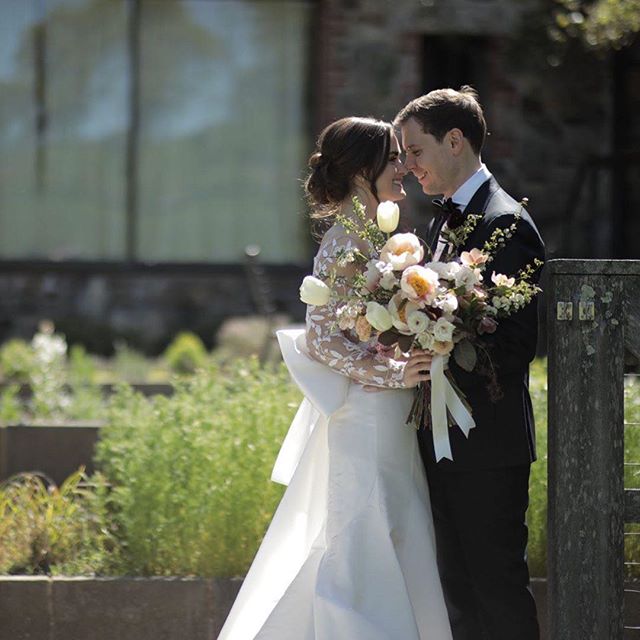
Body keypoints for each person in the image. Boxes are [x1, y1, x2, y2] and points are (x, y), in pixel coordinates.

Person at [217, 117, 452, 639]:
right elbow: (321, 340)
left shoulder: (380, 239)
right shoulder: (344, 243)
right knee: (360, 541)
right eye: (392, 158)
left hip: (390, 415)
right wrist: (392, 371)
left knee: (394, 530)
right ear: (361, 171)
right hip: (365, 415)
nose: (403, 169)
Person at [396, 87, 545, 640]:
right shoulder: (442, 221)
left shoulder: (505, 223)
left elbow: (513, 345)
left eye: (415, 151)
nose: (408, 168)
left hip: (486, 441)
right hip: (440, 437)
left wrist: (438, 354)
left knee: (496, 587)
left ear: (454, 141)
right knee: (456, 589)